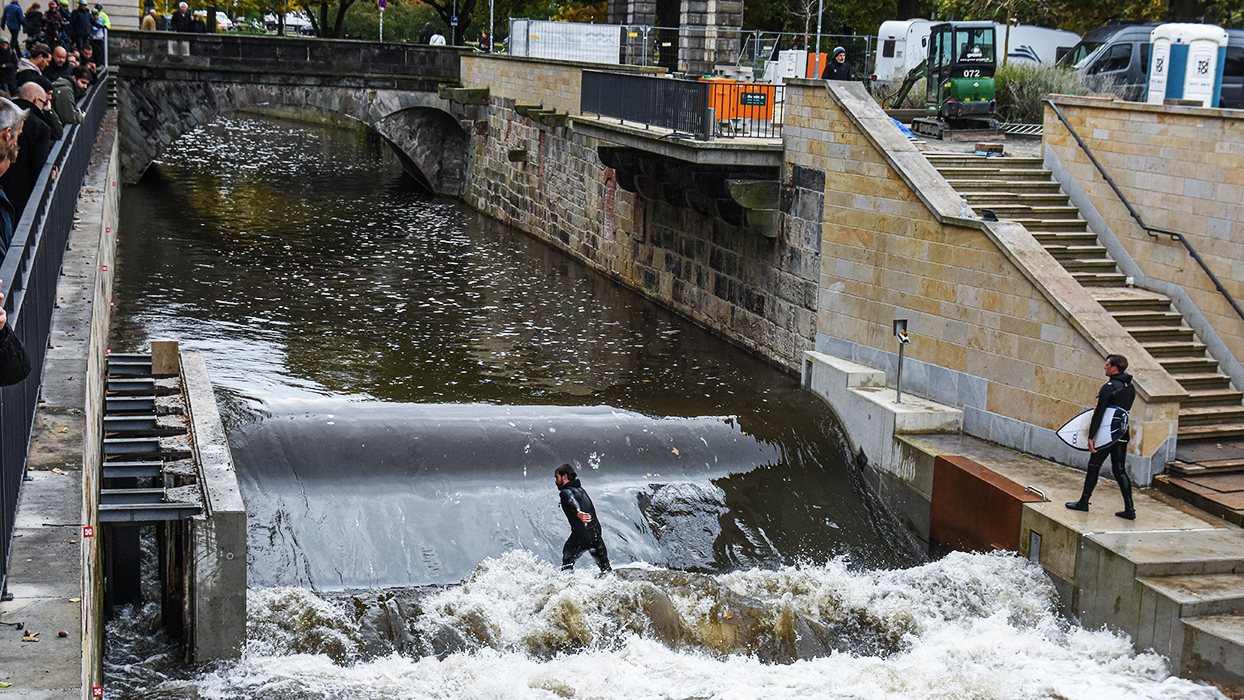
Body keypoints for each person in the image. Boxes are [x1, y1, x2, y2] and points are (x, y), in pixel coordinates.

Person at [1066, 354, 1136, 520]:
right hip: (1121, 433)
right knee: (1119, 470)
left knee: (1094, 465)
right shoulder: (1130, 387)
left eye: (1107, 365)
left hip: (1106, 435)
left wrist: (1091, 437)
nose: (1104, 367)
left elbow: (1099, 414)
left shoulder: (1109, 387)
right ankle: (1130, 509)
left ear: (1114, 368)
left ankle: (1083, 502)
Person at [0, 81, 50, 214]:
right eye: (44, 103)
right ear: (7, 134)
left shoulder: (8, 113)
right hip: (23, 195)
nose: (16, 143)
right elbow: (38, 165)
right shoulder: (40, 127)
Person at [554, 463, 611, 573]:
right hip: (596, 535)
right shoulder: (582, 490)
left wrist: (578, 512)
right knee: (606, 570)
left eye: (557, 477)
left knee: (567, 565)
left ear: (564, 477)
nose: (556, 481)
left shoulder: (565, 492)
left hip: (581, 536)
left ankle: (566, 588)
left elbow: (571, 500)